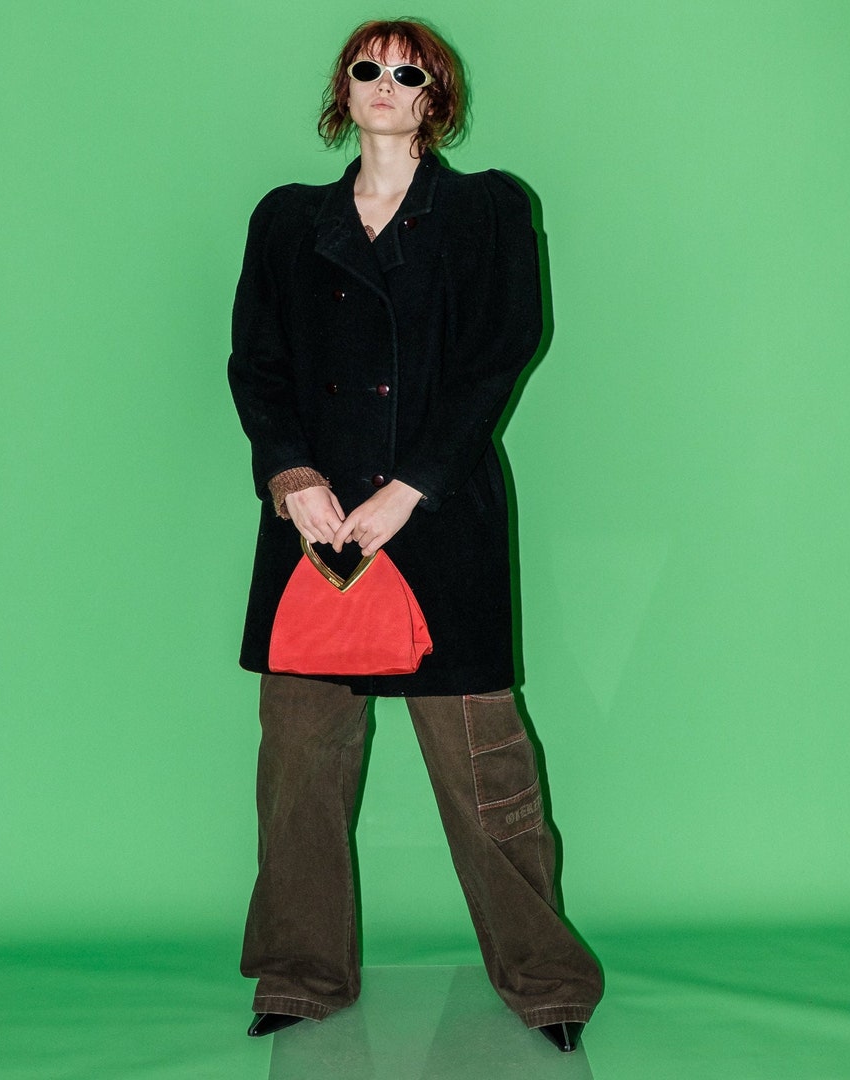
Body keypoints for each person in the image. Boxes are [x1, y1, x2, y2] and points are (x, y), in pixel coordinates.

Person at [227, 18, 603, 1054]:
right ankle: (299, 973)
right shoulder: (287, 218)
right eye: (367, 67)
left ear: (437, 95)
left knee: (490, 772)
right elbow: (256, 362)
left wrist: (411, 490)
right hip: (315, 528)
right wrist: (292, 476)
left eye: (408, 70)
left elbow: (500, 353)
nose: (385, 82)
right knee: (299, 773)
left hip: (439, 520)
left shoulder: (488, 209)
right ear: (343, 89)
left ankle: (545, 979)